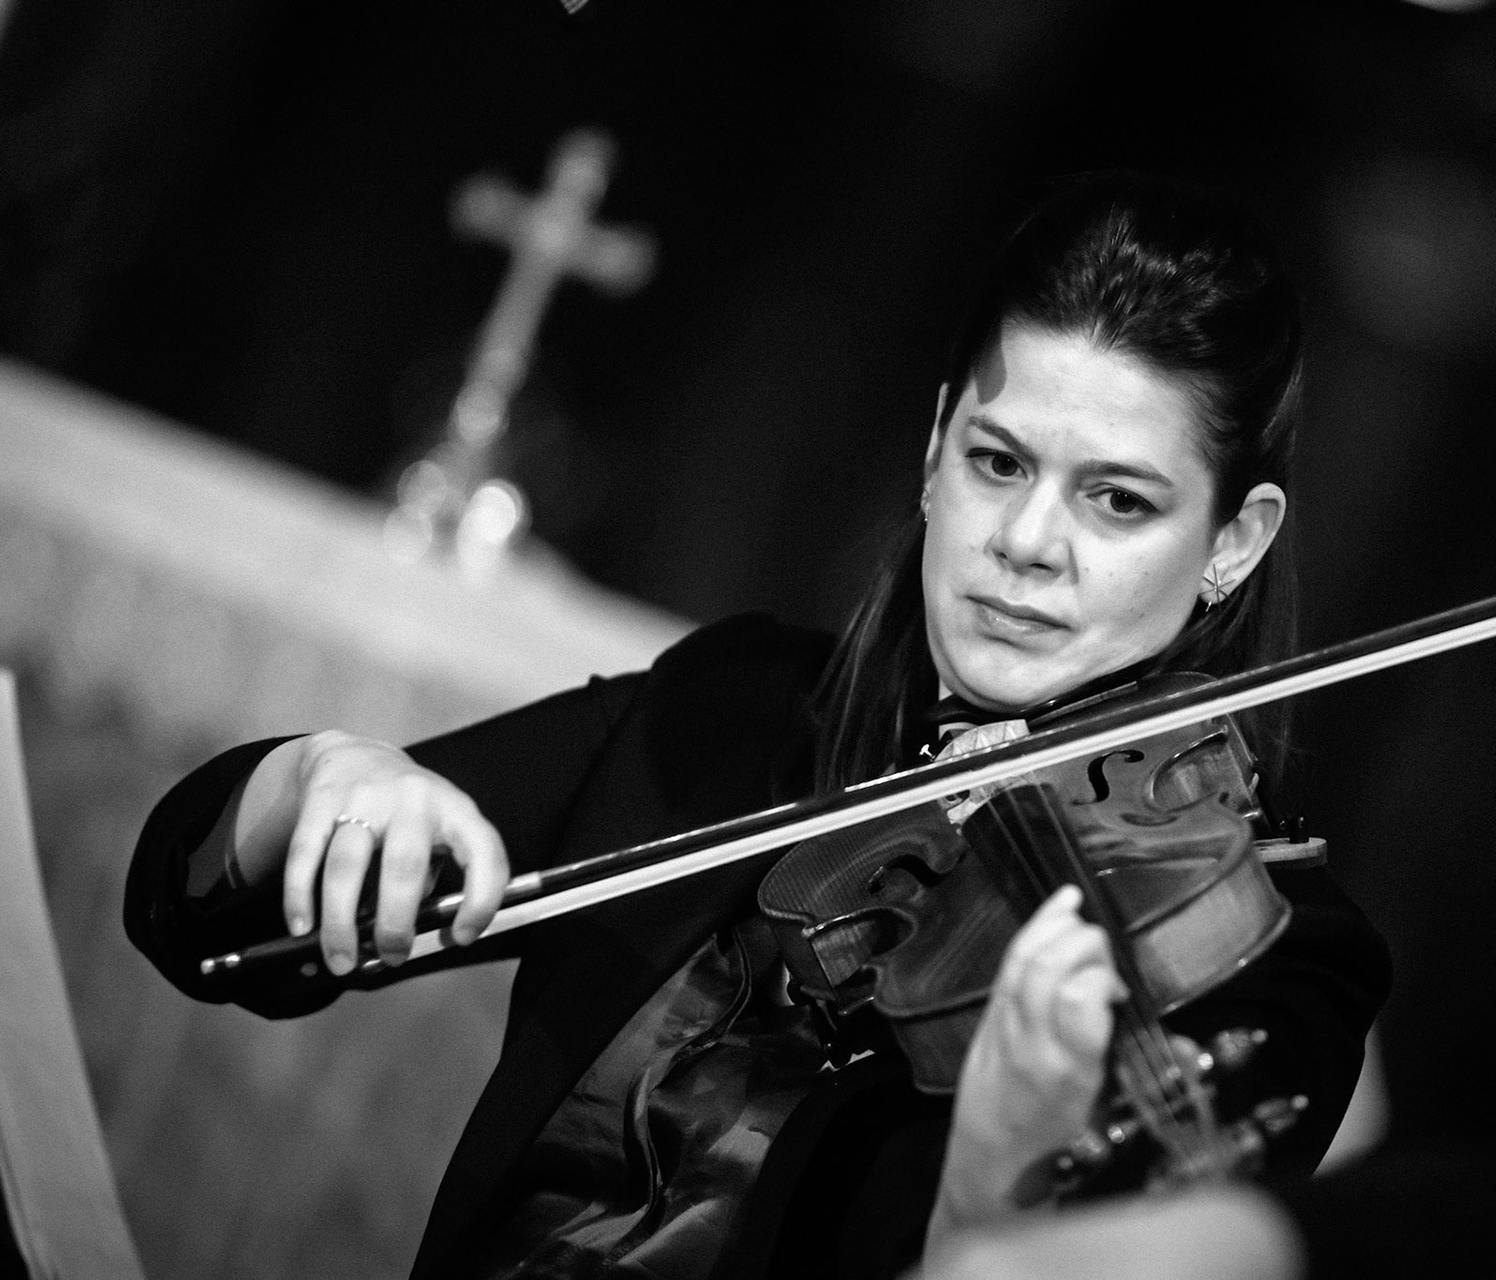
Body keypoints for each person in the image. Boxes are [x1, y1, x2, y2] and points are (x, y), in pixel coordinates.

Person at [124, 172, 1392, 1280]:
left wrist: (998, 1186)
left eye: (1117, 501)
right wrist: (312, 783)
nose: (1026, 544)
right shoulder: (736, 714)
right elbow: (204, 921)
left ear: (1232, 543)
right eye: (1000, 462)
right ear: (937, 444)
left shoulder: (1272, 961)